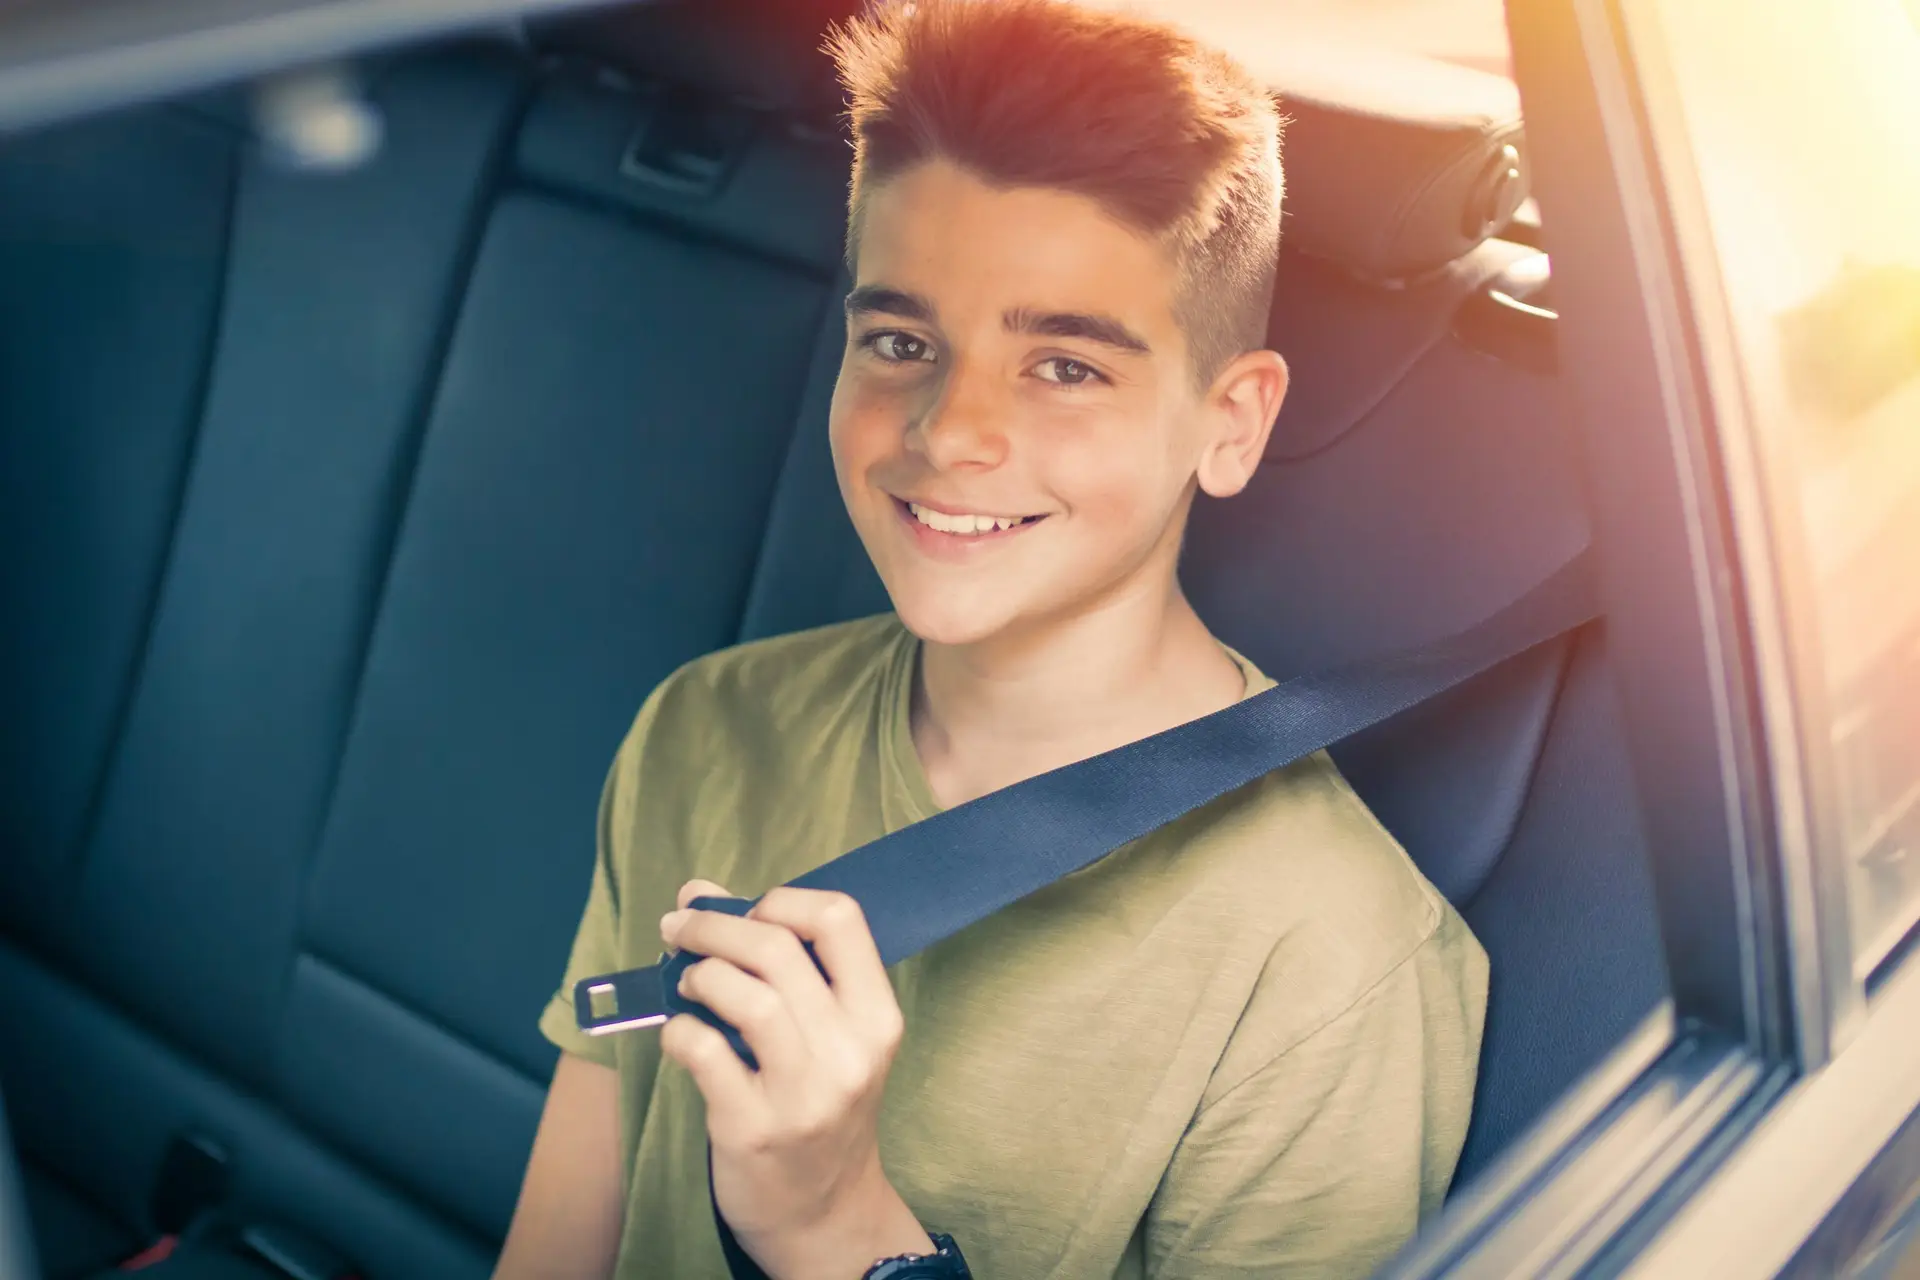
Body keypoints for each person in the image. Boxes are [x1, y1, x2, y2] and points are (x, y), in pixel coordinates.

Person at [494, 0, 1488, 1276]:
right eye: (902, 341)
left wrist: (831, 1223)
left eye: (1066, 365)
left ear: (1230, 423)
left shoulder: (1328, 967)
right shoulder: (706, 724)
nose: (950, 431)